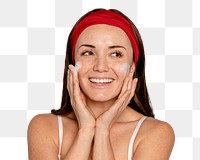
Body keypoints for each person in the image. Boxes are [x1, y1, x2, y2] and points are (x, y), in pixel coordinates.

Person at [27, 8, 175, 160]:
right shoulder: (44, 126)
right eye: (88, 53)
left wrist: (103, 129)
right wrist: (86, 129)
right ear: (72, 63)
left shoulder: (156, 132)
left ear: (133, 67)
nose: (100, 66)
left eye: (116, 54)